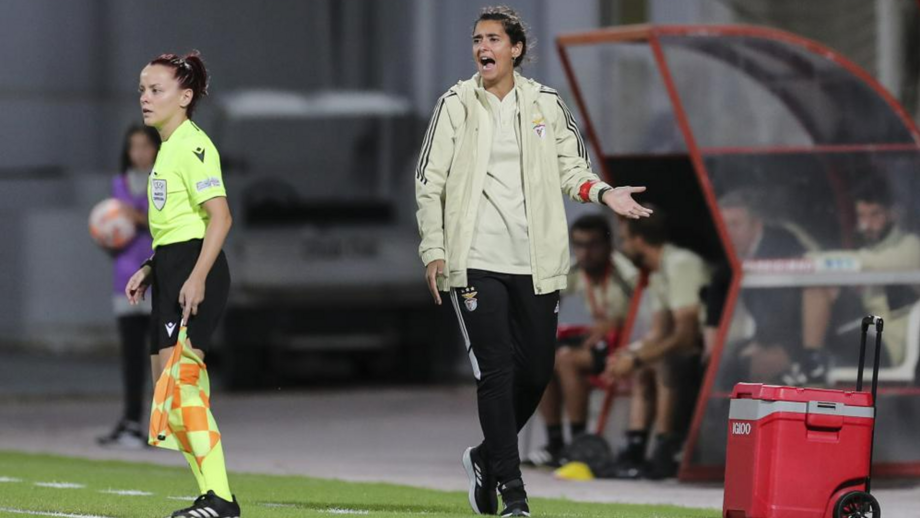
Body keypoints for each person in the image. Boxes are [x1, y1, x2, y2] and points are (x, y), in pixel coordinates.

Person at [414, 6, 651, 516]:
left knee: (538, 370)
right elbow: (429, 181)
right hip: (475, 258)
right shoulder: (456, 103)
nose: (483, 47)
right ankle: (514, 492)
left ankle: (485, 457)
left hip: (536, 261)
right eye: (477, 39)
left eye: (493, 39)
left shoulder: (546, 103)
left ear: (516, 48)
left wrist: (605, 193)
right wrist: (434, 248)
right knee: (496, 371)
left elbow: (573, 169)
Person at [124, 51, 239, 518]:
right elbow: (178, 224)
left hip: (194, 268)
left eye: (157, 90)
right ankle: (211, 496)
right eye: (142, 90)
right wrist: (152, 267)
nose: (145, 98)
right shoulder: (167, 149)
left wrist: (195, 277)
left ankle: (221, 500)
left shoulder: (193, 146)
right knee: (169, 397)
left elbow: (220, 218)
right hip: (172, 267)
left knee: (184, 386)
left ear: (185, 97)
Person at [600, 209, 708, 480]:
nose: (623, 246)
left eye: (624, 239)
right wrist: (627, 355)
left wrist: (638, 358)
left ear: (638, 240)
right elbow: (658, 332)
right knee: (644, 363)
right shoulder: (658, 271)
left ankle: (665, 450)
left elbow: (686, 334)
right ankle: (634, 452)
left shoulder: (680, 263)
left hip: (719, 347)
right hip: (692, 346)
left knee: (661, 362)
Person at [527, 214, 637, 467]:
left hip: (628, 344)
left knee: (566, 360)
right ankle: (555, 443)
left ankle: (578, 444)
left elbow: (649, 311)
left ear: (608, 245)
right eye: (579, 245)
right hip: (601, 343)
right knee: (542, 357)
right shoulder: (576, 270)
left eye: (593, 245)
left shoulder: (626, 273)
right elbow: (547, 300)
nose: (585, 253)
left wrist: (619, 322)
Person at [793, 178, 920, 385]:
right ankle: (810, 362)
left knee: (826, 356)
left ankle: (812, 367)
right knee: (818, 289)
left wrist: (813, 261)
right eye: (862, 216)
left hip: (888, 344)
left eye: (875, 215)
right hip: (862, 330)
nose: (867, 224)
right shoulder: (869, 249)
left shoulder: (911, 247)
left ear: (893, 214)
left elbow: (867, 263)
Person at [97, 125, 161, 449]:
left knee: (161, 358)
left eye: (145, 146)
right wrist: (105, 234)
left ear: (156, 149)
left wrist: (136, 217)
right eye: (133, 146)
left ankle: (162, 426)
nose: (139, 153)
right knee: (132, 358)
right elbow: (113, 229)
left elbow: (165, 225)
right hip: (125, 280)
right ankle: (131, 421)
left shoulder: (163, 180)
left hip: (158, 279)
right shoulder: (119, 184)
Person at [705, 189, 808, 388]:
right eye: (724, 225)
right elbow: (716, 295)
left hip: (804, 337)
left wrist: (763, 344)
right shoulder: (731, 253)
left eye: (735, 224)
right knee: (723, 360)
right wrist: (712, 342)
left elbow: (786, 312)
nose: (728, 232)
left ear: (756, 225)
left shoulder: (782, 246)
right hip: (771, 335)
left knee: (743, 368)